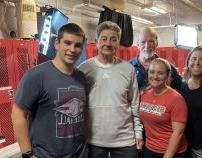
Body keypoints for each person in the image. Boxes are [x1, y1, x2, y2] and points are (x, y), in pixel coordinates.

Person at [11, 23, 88, 158]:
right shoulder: (36, 75)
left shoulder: (81, 78)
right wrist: (27, 154)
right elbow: (17, 114)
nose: (72, 49)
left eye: (77, 45)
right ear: (57, 43)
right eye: (67, 43)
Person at [78, 21, 143, 158]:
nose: (108, 43)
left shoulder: (128, 69)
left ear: (118, 43)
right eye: (104, 39)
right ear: (96, 42)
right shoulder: (84, 69)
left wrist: (138, 132)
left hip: (125, 141)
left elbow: (135, 104)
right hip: (93, 140)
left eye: (113, 40)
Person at [139, 58, 188, 158]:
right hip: (150, 149)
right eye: (152, 72)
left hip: (172, 152)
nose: (155, 76)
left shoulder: (176, 99)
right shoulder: (144, 95)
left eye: (160, 73)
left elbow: (178, 133)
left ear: (167, 75)